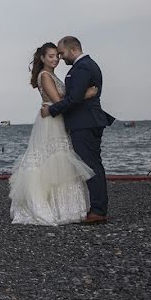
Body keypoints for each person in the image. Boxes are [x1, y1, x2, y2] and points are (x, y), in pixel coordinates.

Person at [9, 42, 99, 226]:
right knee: (51, 160)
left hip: (58, 118)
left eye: (57, 56)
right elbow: (58, 100)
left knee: (62, 160)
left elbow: (64, 101)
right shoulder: (44, 76)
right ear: (42, 58)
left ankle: (66, 208)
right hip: (50, 120)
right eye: (50, 56)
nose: (55, 59)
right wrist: (86, 94)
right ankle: (46, 206)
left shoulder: (53, 75)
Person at [41, 36, 115, 223]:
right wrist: (83, 94)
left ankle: (98, 210)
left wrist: (51, 110)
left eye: (62, 53)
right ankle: (97, 207)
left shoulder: (82, 68)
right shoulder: (87, 65)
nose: (60, 57)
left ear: (73, 50)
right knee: (91, 165)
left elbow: (73, 99)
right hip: (86, 122)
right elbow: (76, 96)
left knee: (90, 167)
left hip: (85, 123)